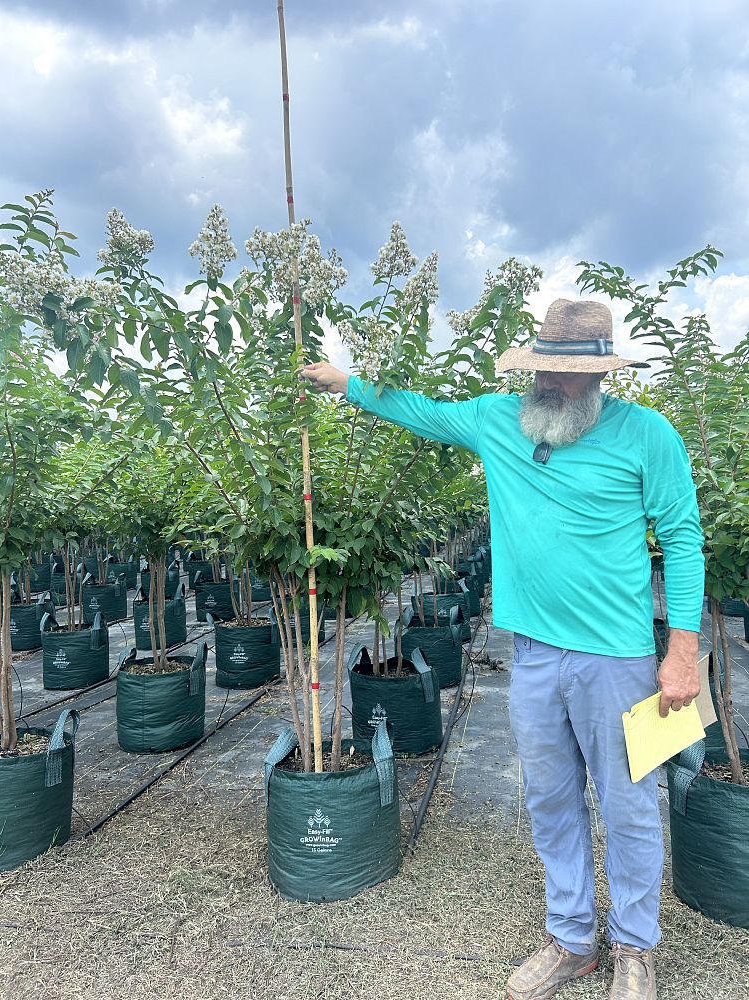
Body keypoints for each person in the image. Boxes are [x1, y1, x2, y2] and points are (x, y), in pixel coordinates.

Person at [301, 298, 704, 1000]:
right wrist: (349, 384)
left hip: (619, 660)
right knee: (550, 799)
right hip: (536, 656)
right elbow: (421, 409)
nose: (547, 384)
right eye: (540, 369)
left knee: (629, 804)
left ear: (601, 374)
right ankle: (571, 938)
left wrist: (680, 651)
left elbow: (684, 538)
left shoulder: (649, 436)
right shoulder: (499, 421)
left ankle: (635, 948)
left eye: (563, 375)